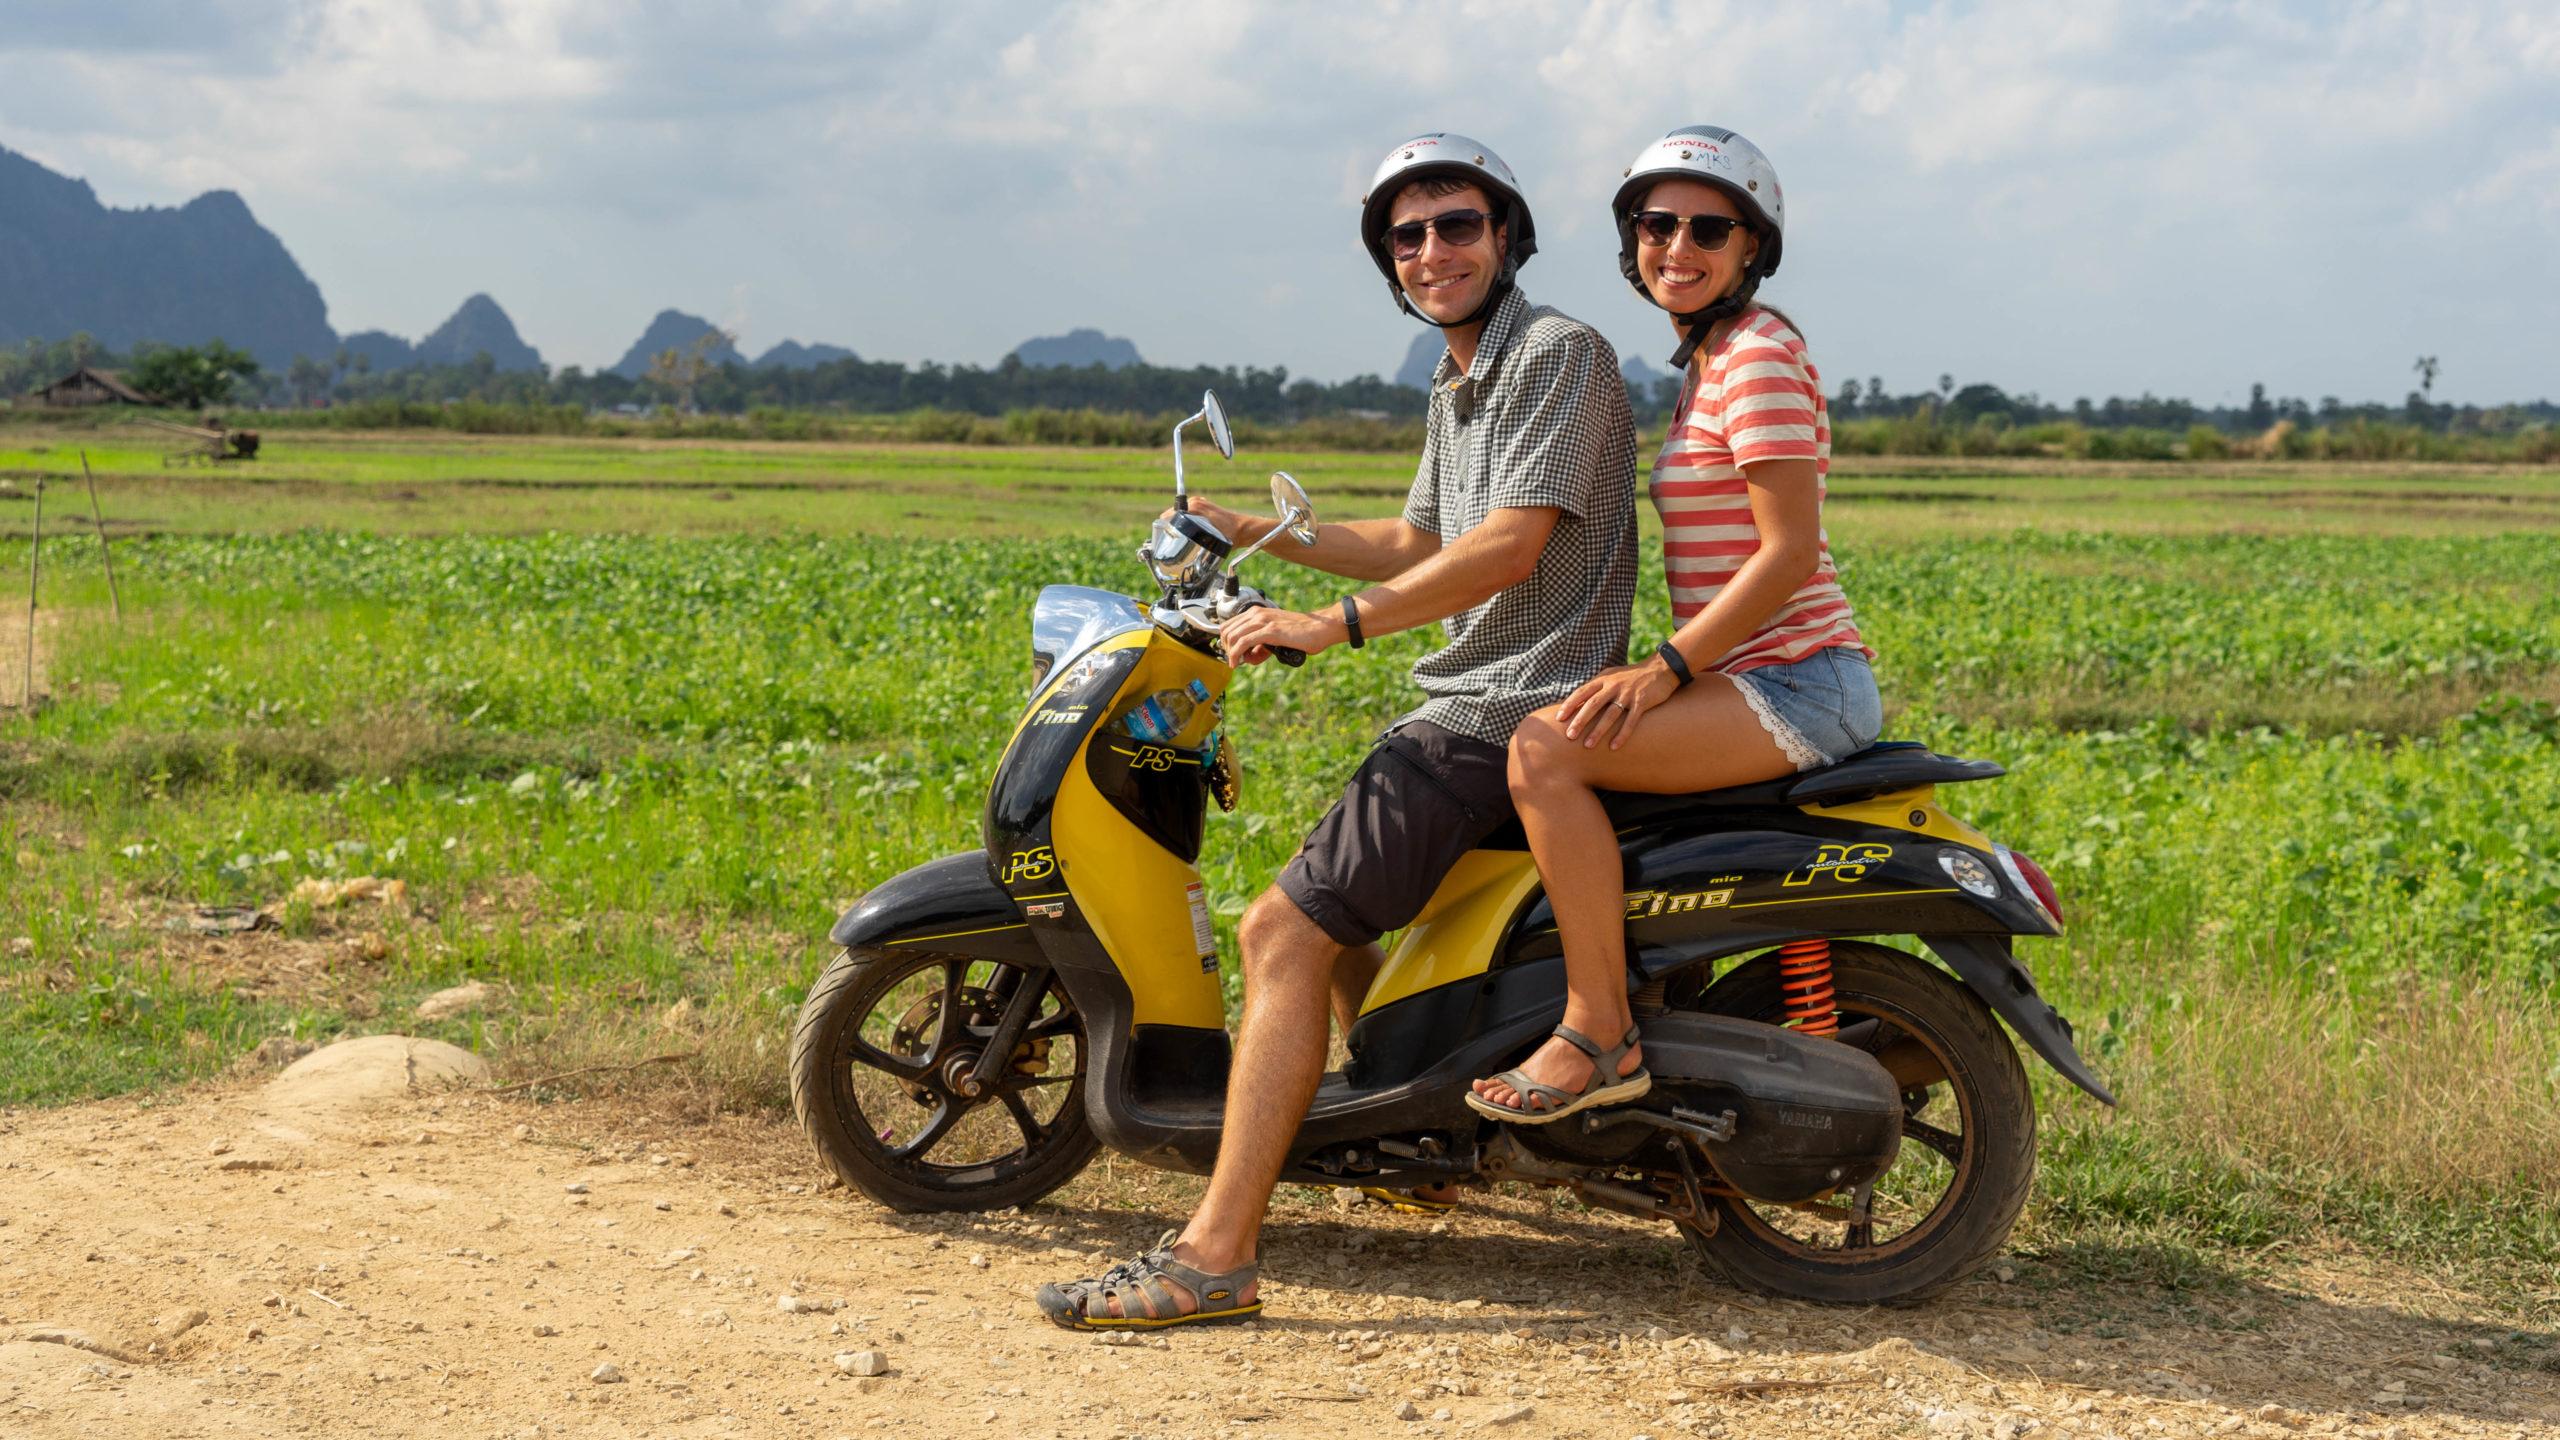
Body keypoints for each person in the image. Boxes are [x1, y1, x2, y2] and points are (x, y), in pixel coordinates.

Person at [1035, 132, 1639, 1328]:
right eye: (1405, 237)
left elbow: (1508, 545)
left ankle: (1215, 1255)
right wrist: (1258, 531)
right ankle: (1411, 1145)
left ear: (1507, 234)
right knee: (1329, 916)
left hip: (1504, 706)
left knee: (1280, 936)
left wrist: (1335, 624)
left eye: (1456, 224)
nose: (1431, 251)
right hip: (1469, 703)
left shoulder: (1557, 356)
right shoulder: (1462, 375)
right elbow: (1421, 536)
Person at [1467, 125, 1881, 1123]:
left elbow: (1785, 556)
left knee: (1544, 755)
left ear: (1751, 249)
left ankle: (1598, 1035)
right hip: (1746, 676)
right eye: (1656, 225)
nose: (1677, 248)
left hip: (1797, 678)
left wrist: (1660, 670)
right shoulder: (1714, 359)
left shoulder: (1760, 360)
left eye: (1707, 229)